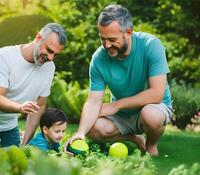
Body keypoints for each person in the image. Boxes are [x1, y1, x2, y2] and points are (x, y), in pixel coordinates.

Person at [65, 4, 174, 156]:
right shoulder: (99, 58)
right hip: (123, 115)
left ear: (128, 32)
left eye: (112, 39)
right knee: (91, 127)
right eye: (102, 39)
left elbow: (157, 94)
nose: (107, 45)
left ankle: (151, 144)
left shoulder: (151, 45)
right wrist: (81, 133)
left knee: (150, 115)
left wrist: (116, 105)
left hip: (154, 107)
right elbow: (93, 102)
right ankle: (134, 138)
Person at [0, 23, 67, 147]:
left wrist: (25, 145)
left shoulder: (49, 68)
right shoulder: (4, 57)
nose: (51, 58)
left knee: (17, 163)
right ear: (38, 38)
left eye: (55, 54)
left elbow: (39, 106)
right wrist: (19, 107)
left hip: (8, 128)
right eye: (49, 50)